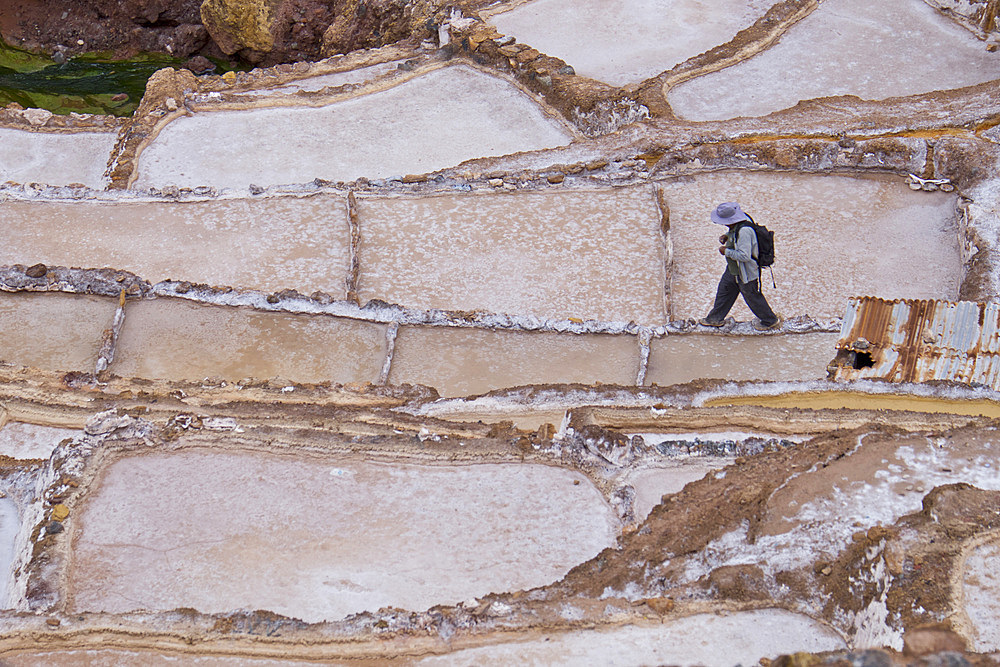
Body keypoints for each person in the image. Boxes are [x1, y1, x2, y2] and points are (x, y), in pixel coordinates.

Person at [698, 202, 779, 331]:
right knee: (724, 291)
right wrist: (727, 236)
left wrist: (726, 251)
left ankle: (770, 321)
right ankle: (714, 319)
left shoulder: (745, 231)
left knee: (752, 297)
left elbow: (744, 256)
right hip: (734, 268)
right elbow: (735, 234)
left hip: (746, 271)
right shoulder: (742, 220)